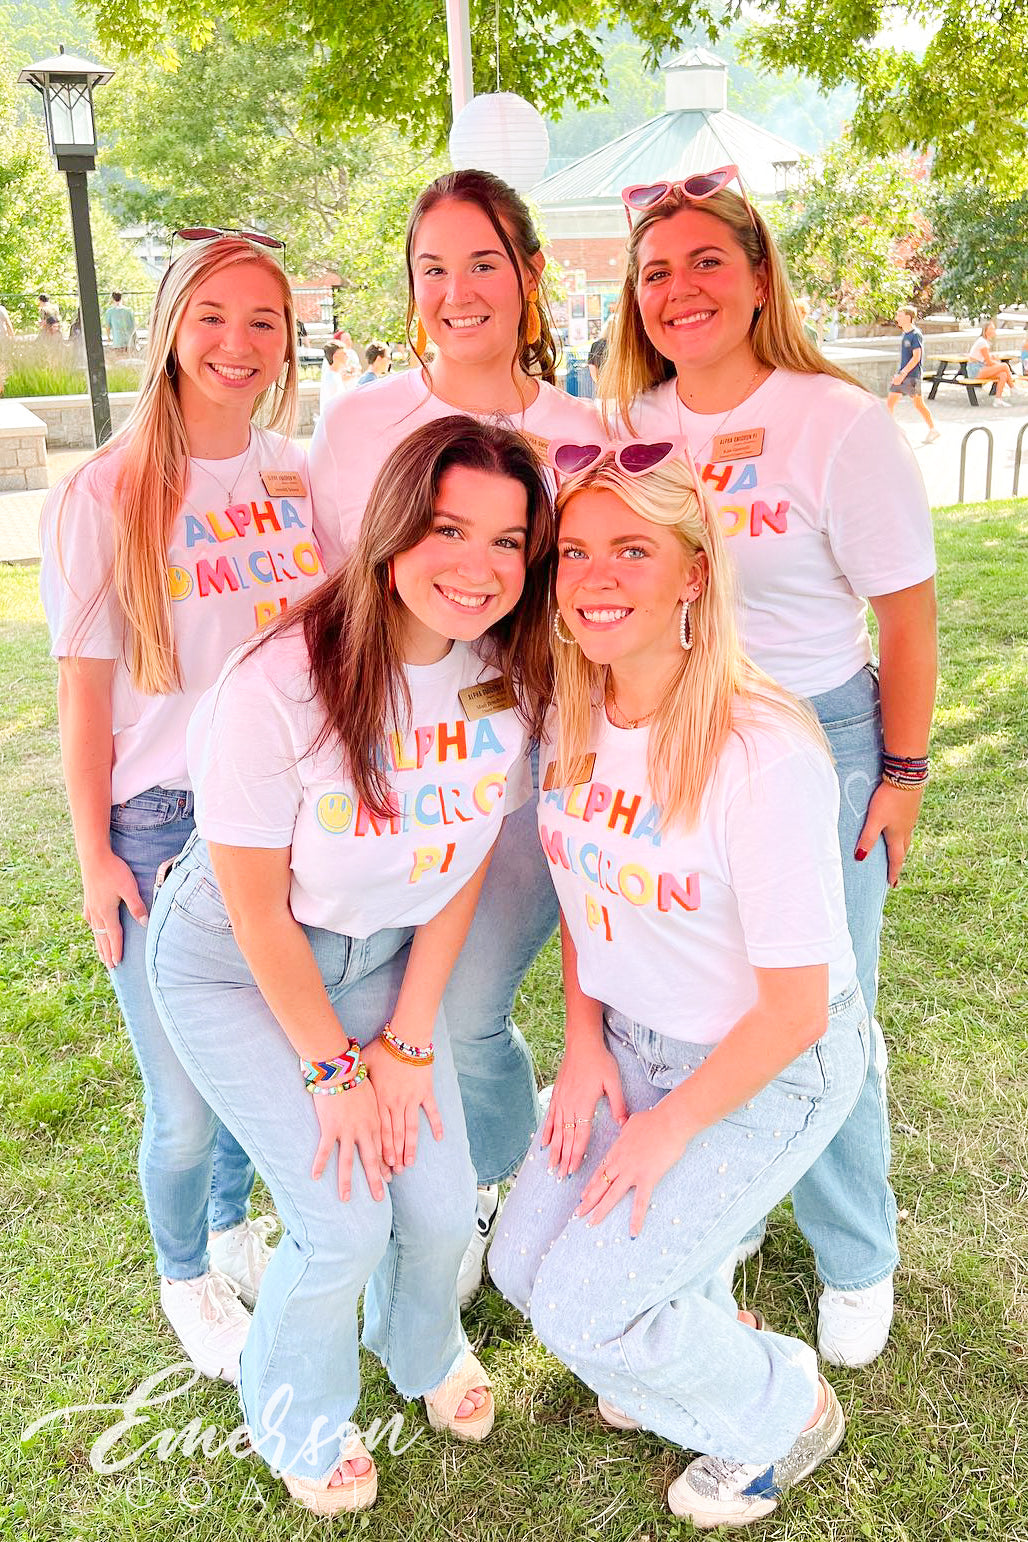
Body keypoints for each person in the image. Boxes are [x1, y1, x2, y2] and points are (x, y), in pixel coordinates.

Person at [145, 416, 555, 1514]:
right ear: (391, 530)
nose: (478, 567)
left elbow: (463, 858)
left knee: (438, 1204)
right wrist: (333, 1072)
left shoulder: (507, 677)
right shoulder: (276, 683)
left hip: (383, 956)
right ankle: (295, 1413)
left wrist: (410, 1040)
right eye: (448, 530)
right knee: (342, 1221)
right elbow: (253, 911)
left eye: (508, 542)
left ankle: (419, 1348)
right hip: (238, 966)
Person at [490, 443, 868, 1527]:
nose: (595, 578)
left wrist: (668, 1128)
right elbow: (585, 896)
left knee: (582, 1314)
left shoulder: (761, 750)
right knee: (521, 1272)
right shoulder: (573, 713)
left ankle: (784, 1410)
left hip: (766, 1067)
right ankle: (691, 1325)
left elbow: (794, 1010)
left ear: (694, 572)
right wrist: (582, 1045)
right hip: (630, 1042)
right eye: (574, 553)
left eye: (632, 551)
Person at [600, 171, 938, 1367]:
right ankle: (730, 1204)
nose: (679, 289)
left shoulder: (833, 421)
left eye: (706, 261)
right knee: (703, 1000)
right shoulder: (628, 423)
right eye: (655, 272)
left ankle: (854, 1251)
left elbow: (906, 617)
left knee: (822, 1007)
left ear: (755, 278)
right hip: (676, 741)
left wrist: (900, 773)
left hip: (817, 744)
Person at [309, 167, 600, 1305]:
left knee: (466, 1012)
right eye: (432, 268)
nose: (457, 290)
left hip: (532, 787)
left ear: (530, 276)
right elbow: (336, 604)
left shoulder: (583, 437)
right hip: (386, 787)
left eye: (483, 262)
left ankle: (498, 1184)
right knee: (392, 1011)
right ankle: (437, 1189)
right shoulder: (355, 425)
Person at [39, 234, 324, 1383]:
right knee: (186, 1101)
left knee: (260, 1058)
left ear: (289, 340)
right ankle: (186, 1274)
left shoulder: (297, 474)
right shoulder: (104, 492)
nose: (237, 343)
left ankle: (230, 1226)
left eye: (263, 321)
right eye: (212, 316)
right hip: (160, 830)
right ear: (168, 329)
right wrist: (94, 856)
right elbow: (82, 694)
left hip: (284, 822)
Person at [886, 306, 939, 441]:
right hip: (904, 375)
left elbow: (916, 357)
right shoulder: (905, 334)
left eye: (900, 315)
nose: (897, 318)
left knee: (918, 404)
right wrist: (899, 374)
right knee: (890, 403)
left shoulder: (915, 335)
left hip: (912, 376)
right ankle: (893, 430)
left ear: (908, 317)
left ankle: (933, 430)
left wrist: (902, 374)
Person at [966, 318, 1019, 403]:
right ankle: (1013, 388)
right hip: (975, 370)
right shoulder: (982, 342)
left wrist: (996, 362)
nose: (993, 330)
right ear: (986, 331)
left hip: (981, 367)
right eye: (991, 329)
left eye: (994, 329)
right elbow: (989, 362)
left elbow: (987, 360)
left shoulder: (984, 342)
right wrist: (999, 365)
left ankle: (998, 399)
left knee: (1003, 374)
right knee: (1004, 366)